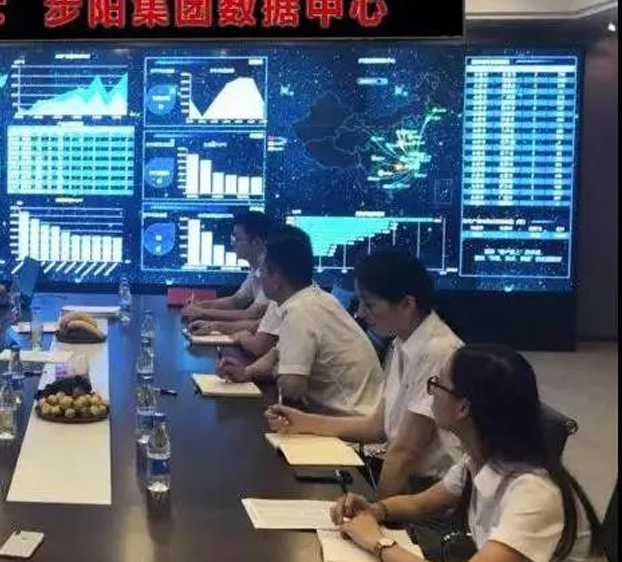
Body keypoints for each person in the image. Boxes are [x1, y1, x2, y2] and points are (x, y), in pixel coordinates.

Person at [329, 345, 602, 562]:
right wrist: (375, 510)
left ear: (463, 408)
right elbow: (421, 504)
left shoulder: (534, 493)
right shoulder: (480, 460)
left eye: (438, 384)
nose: (431, 392)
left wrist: (378, 542)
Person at [264, 250, 463, 497]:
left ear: (407, 304)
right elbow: (376, 426)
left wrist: (377, 511)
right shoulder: (402, 342)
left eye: (369, 304)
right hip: (407, 481)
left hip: (430, 492)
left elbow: (406, 452)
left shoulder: (437, 350)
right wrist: (303, 422)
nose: (360, 313)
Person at [219, 226, 383, 416]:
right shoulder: (315, 298)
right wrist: (247, 372)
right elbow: (276, 354)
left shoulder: (299, 311)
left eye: (262, 270)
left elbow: (292, 389)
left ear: (276, 277)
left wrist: (282, 371)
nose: (259, 276)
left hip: (352, 423)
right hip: (362, 416)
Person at [184, 211, 273, 336]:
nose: (232, 243)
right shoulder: (256, 268)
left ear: (257, 242)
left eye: (237, 239)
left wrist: (202, 312)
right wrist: (201, 305)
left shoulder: (271, 271)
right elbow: (236, 301)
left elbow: (251, 315)